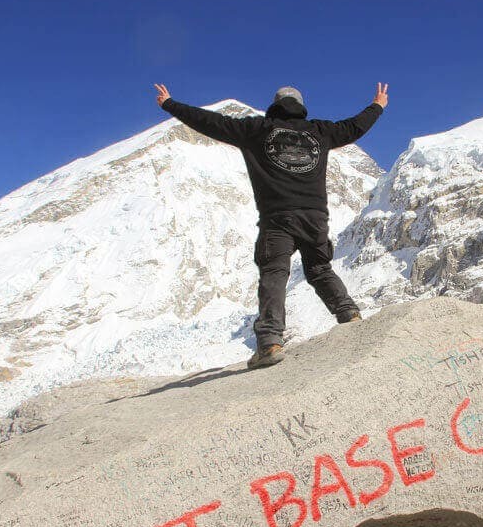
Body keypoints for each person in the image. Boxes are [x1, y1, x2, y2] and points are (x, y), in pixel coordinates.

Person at [154, 82, 389, 369]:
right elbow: (354, 127)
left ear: (275, 105)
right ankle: (349, 314)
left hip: (278, 218)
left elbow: (211, 122)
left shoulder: (257, 130)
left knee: (274, 273)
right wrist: (377, 106)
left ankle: (270, 343)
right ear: (301, 107)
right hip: (315, 217)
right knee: (319, 269)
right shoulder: (320, 132)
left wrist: (170, 104)